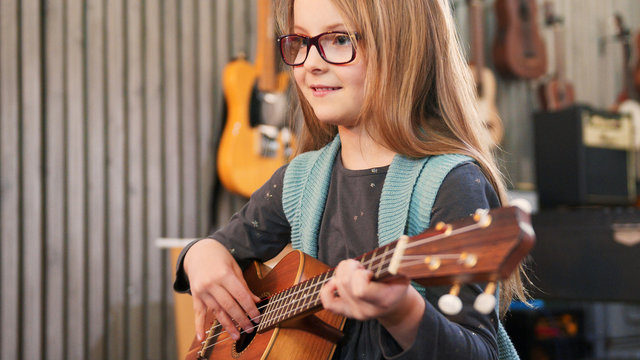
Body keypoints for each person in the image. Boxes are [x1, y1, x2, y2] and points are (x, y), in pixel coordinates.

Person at [174, 0, 529, 358]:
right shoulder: (300, 179)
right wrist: (200, 255)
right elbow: (222, 246)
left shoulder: (451, 185)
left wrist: (402, 311)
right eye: (299, 41)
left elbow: (478, 352)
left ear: (403, 48)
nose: (311, 63)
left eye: (340, 40)